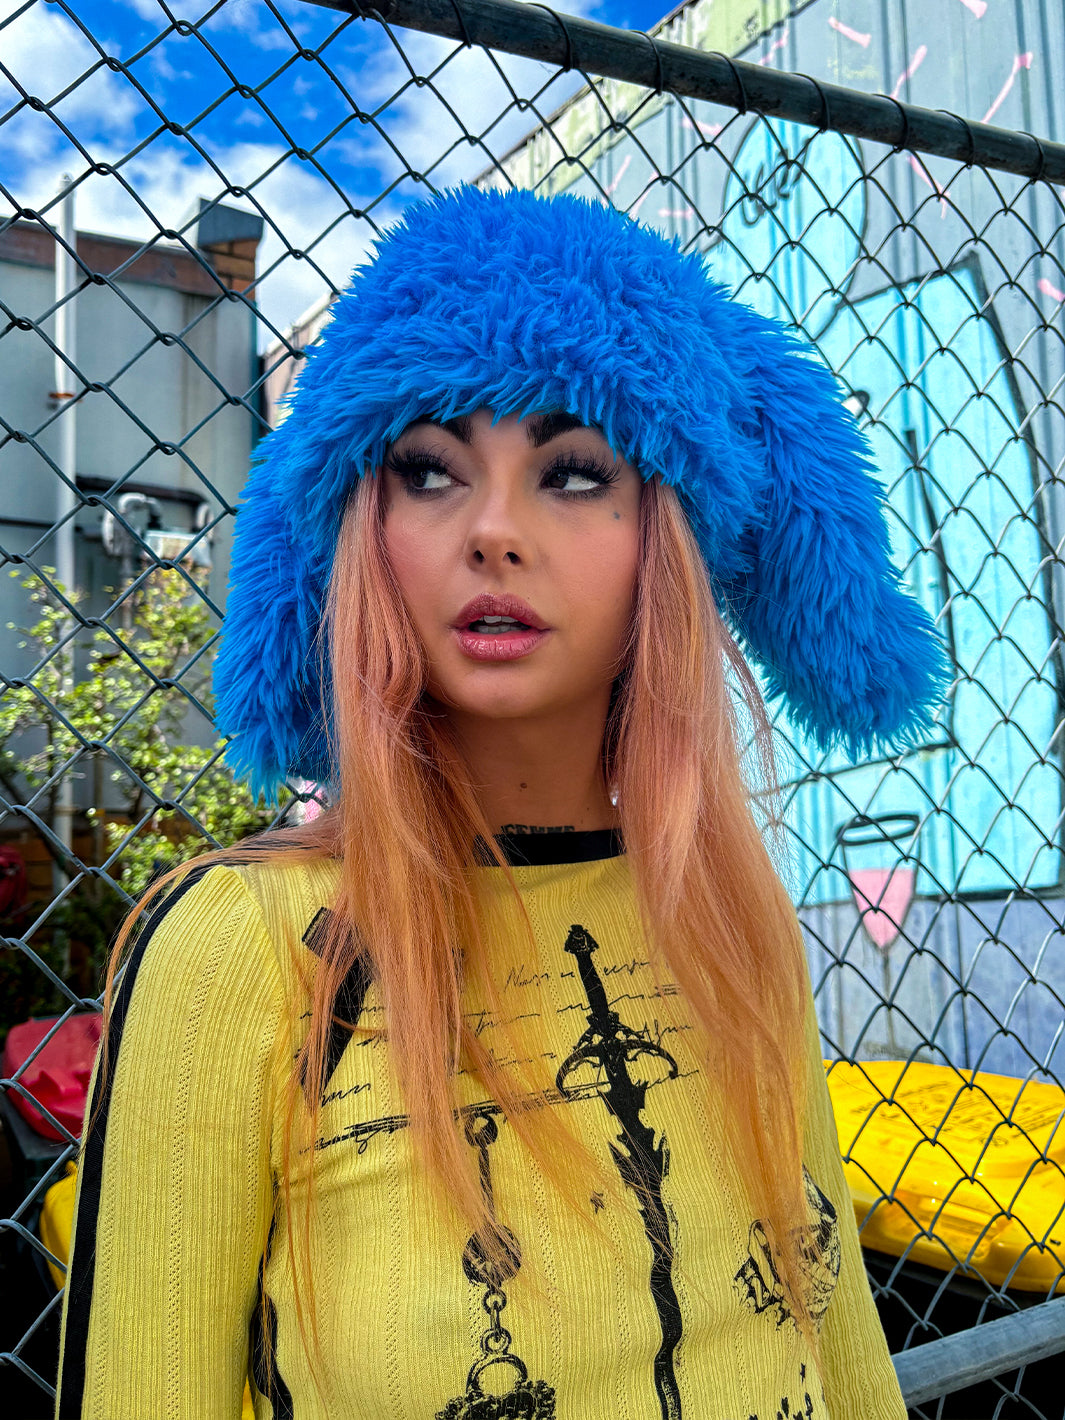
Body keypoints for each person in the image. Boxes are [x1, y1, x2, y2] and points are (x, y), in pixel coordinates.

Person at [54, 184, 944, 1420]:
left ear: (668, 537)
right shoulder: (242, 953)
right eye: (428, 469)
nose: (493, 530)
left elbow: (844, 1362)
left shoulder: (735, 928)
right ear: (358, 527)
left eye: (572, 472)